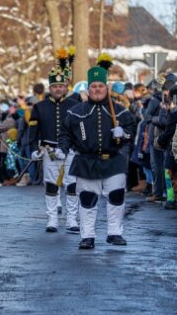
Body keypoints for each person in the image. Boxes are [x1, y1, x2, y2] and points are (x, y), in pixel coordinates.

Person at [59, 55, 136, 250]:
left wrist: (124, 133)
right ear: (88, 89)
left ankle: (115, 233)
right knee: (87, 199)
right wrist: (62, 149)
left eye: (100, 86)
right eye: (94, 87)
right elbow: (65, 134)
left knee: (117, 196)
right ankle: (87, 236)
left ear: (106, 88)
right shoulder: (75, 112)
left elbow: (131, 129)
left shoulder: (120, 111)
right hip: (86, 161)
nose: (97, 90)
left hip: (114, 160)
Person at [29, 65, 80, 233]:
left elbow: (79, 131)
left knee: (71, 186)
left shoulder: (75, 105)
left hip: (70, 151)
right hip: (49, 151)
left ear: (65, 87)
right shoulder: (40, 107)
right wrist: (33, 148)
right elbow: (33, 131)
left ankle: (72, 219)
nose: (58, 89)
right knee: (51, 186)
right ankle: (52, 219)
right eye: (55, 86)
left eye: (61, 86)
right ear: (50, 88)